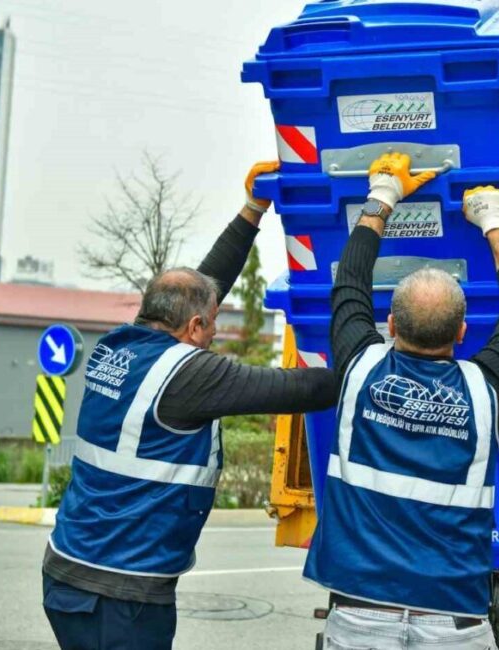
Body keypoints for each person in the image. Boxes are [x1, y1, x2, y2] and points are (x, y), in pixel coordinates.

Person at [41, 161, 338, 649]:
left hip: (68, 573)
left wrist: (252, 210)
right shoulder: (188, 374)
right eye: (213, 321)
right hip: (122, 594)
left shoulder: (116, 346)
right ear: (195, 327)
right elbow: (302, 389)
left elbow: (203, 284)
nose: (216, 331)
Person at [304, 153, 499, 649]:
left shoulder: (359, 368)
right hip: (455, 624)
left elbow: (348, 283)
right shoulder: (485, 389)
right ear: (462, 332)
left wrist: (383, 195)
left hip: (359, 620)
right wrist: (492, 217)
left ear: (389, 327)